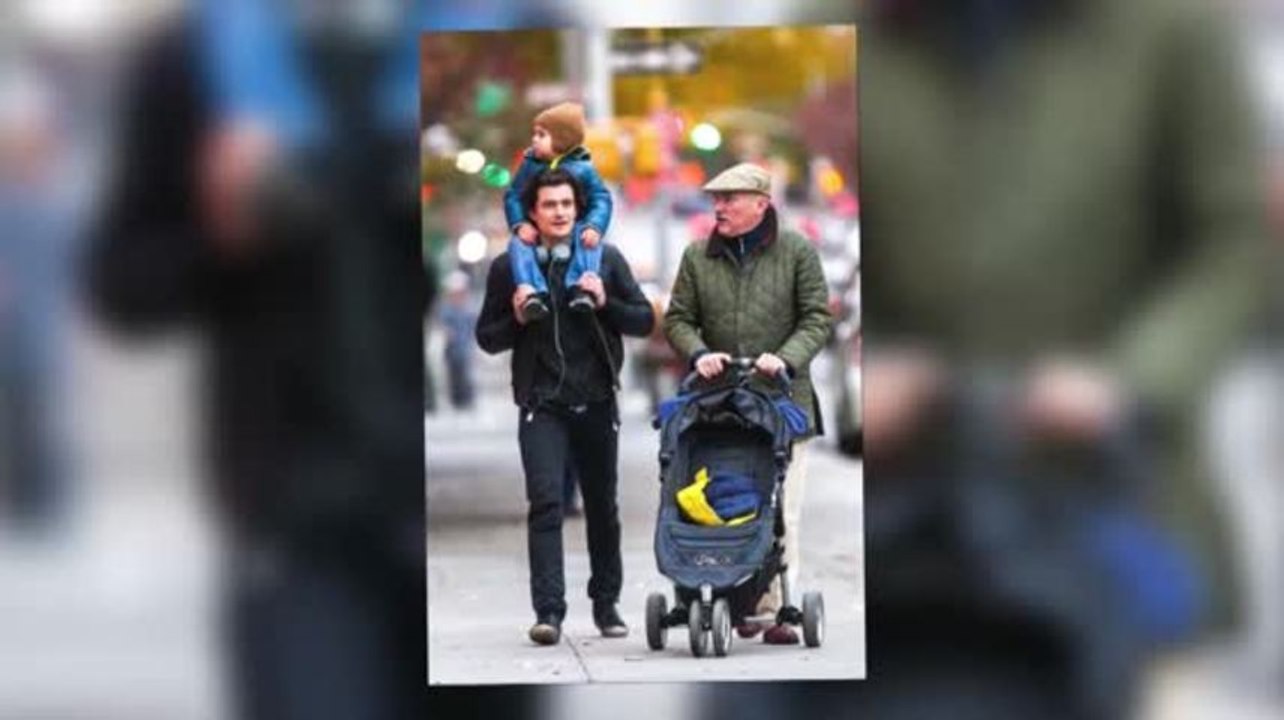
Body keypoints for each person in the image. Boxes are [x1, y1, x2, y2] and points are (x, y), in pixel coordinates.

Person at [475, 168, 654, 645]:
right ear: (531, 214)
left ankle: (606, 605)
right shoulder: (508, 268)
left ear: (578, 211)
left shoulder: (605, 259)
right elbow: (486, 339)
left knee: (602, 506)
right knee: (546, 503)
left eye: (566, 205)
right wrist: (514, 319)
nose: (559, 213)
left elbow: (642, 321)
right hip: (542, 404)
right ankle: (548, 612)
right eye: (549, 205)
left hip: (596, 400)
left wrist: (605, 301)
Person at [662, 162, 834, 645]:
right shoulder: (698, 257)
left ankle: (778, 607)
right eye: (715, 199)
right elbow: (678, 319)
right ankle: (722, 594)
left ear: (761, 203)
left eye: (729, 199)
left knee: (783, 512)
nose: (718, 207)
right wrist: (699, 353)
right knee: (719, 507)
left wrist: (784, 359)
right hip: (716, 407)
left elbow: (817, 318)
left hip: (783, 405)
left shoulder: (797, 251)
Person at [502, 102, 613, 322]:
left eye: (541, 135)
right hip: (535, 233)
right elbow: (513, 195)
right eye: (535, 134)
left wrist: (595, 225)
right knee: (518, 244)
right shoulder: (530, 165)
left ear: (562, 139)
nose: (534, 139)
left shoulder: (584, 169)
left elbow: (601, 198)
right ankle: (532, 292)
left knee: (589, 241)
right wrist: (520, 224)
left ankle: (582, 287)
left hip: (577, 230)